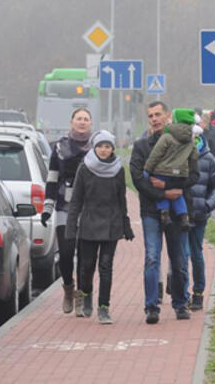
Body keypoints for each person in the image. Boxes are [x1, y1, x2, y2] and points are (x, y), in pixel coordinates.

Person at [130, 101, 198, 324]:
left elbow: (194, 174)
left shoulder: (184, 141)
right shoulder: (141, 147)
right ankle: (152, 306)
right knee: (151, 258)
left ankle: (180, 303)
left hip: (178, 209)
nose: (154, 119)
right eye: (150, 115)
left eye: (158, 114)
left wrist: (175, 188)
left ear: (168, 117)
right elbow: (138, 178)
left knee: (178, 259)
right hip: (151, 210)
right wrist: (161, 194)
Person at [65, 130, 134, 324]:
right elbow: (76, 200)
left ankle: (104, 307)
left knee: (106, 266)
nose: (104, 150)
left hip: (111, 224)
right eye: (100, 146)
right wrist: (71, 227)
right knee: (87, 266)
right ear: (94, 148)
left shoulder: (118, 169)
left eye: (108, 146)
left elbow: (122, 199)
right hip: (89, 223)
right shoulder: (84, 168)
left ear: (112, 148)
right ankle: (86, 293)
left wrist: (126, 225)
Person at [41, 108, 92, 315]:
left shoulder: (97, 146)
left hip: (88, 207)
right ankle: (68, 288)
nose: (82, 122)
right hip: (64, 205)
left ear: (91, 123)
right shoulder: (60, 147)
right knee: (66, 252)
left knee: (85, 256)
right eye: (79, 119)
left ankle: (81, 294)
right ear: (71, 122)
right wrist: (48, 207)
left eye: (86, 119)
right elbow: (52, 178)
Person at [143, 108, 199, 230]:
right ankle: (184, 217)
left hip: (163, 171)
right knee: (178, 195)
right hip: (181, 174)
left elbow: (156, 154)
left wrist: (147, 169)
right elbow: (194, 156)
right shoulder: (190, 140)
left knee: (164, 195)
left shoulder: (167, 137)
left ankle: (164, 214)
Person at [187, 132, 215, 310]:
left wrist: (207, 205)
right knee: (180, 255)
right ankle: (182, 293)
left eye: (196, 137)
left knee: (195, 253)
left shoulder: (209, 159)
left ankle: (198, 293)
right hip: (180, 213)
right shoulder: (178, 154)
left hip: (199, 214)